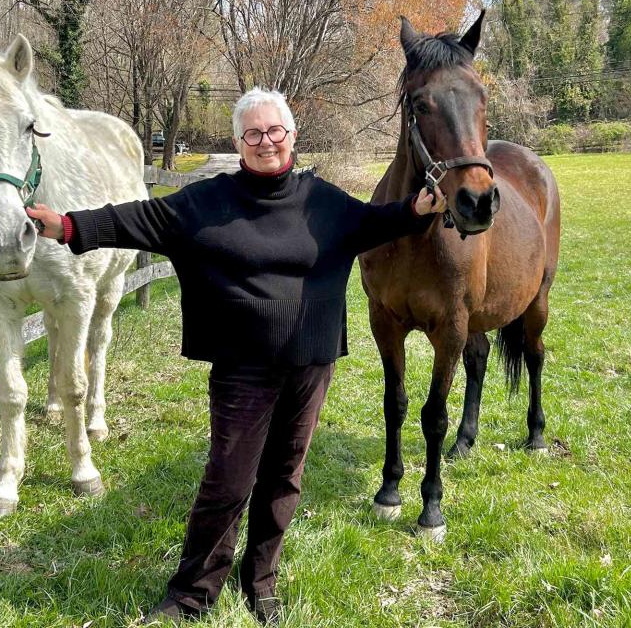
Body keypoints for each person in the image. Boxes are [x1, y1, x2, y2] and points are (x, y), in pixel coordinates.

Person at [25, 87, 446, 626]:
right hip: (243, 365)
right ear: (238, 141)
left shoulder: (323, 201)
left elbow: (375, 222)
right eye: (253, 133)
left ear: (292, 136)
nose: (265, 141)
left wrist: (416, 209)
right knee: (228, 480)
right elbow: (141, 219)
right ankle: (193, 592)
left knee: (284, 477)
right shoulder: (207, 203)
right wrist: (69, 227)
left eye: (275, 131)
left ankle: (261, 579)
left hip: (311, 362)